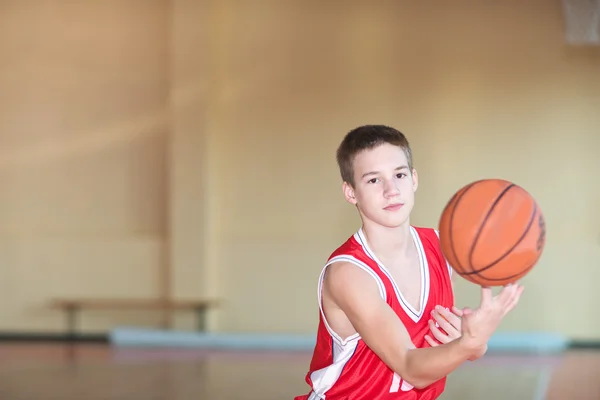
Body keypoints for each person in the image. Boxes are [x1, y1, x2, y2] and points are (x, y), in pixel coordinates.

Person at [294, 125, 524, 400]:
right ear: (351, 192)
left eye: (399, 175)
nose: (391, 190)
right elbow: (408, 365)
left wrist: (473, 343)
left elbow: (455, 350)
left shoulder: (442, 247)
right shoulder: (349, 273)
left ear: (414, 179)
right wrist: (468, 344)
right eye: (373, 180)